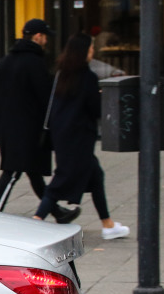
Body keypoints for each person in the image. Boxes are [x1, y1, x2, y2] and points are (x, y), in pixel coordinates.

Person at [33, 33, 129, 239]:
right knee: (61, 180)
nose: (93, 52)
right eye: (91, 49)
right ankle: (37, 220)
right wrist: (101, 97)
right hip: (80, 138)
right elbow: (94, 109)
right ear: (83, 51)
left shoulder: (62, 75)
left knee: (95, 176)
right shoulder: (87, 78)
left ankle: (108, 224)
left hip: (62, 135)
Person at [0, 18, 78, 222]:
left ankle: (56, 211)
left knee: (32, 171)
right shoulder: (36, 63)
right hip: (28, 130)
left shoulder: (4, 62)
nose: (46, 41)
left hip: (8, 128)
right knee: (12, 173)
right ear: (38, 36)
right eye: (45, 37)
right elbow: (45, 99)